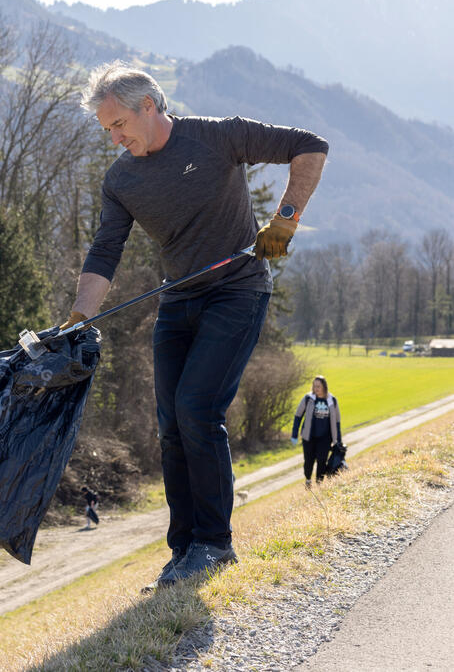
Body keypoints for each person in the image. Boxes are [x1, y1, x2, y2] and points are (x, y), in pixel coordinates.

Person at [61, 61, 328, 591]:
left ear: (149, 106)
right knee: (170, 427)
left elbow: (310, 146)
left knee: (196, 410)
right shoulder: (120, 179)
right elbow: (105, 250)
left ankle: (215, 545)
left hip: (237, 291)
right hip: (179, 301)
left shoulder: (217, 137)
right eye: (106, 130)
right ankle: (184, 552)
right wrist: (79, 314)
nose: (114, 137)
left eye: (118, 125)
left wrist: (285, 219)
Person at [291, 375, 342, 486]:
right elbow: (298, 416)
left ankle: (319, 483)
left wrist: (338, 440)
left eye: (318, 386)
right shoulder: (308, 398)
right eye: (314, 386)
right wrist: (294, 434)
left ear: (324, 386)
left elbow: (337, 422)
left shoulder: (332, 400)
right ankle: (308, 479)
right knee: (308, 461)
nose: (316, 389)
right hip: (309, 437)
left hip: (325, 437)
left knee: (322, 461)